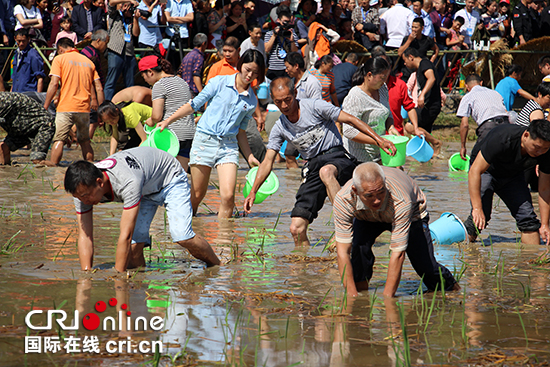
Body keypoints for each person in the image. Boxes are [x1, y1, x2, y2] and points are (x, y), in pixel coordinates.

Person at [243, 77, 395, 247]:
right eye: (279, 102)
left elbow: (350, 120)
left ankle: (344, 226)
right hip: (312, 166)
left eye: (288, 100)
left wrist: (379, 140)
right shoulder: (280, 127)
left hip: (337, 158)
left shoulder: (314, 106)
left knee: (326, 172)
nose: (284, 106)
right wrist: (253, 191)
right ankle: (304, 264)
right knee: (296, 229)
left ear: (295, 93)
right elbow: (267, 161)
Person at [64, 148, 221, 272]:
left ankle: (218, 267)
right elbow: (85, 235)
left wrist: (118, 278)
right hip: (145, 188)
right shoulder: (81, 190)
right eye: (79, 197)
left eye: (86, 196)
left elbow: (125, 235)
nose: (84, 201)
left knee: (182, 236)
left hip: (170, 179)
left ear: (100, 182)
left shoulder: (127, 181)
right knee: (133, 251)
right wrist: (86, 275)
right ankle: (142, 286)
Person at [158, 50, 264, 219]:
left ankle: (224, 242)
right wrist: (167, 121)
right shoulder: (219, 82)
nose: (250, 75)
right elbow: (194, 105)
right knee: (198, 194)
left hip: (228, 146)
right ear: (240, 65)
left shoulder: (251, 100)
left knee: (228, 196)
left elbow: (241, 132)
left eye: (255, 72)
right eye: (247, 69)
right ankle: (186, 226)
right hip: (204, 141)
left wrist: (249, 156)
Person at [333, 162, 459, 297]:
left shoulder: (401, 199)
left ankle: (453, 290)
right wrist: (352, 298)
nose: (376, 200)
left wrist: (388, 299)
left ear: (385, 185)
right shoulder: (343, 200)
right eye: (369, 196)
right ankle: (361, 291)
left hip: (410, 214)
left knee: (425, 266)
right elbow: (342, 253)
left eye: (381, 192)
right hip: (366, 216)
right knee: (358, 252)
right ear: (355, 191)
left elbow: (398, 254)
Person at [465, 119, 550, 245]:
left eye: (545, 149)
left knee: (528, 219)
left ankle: (530, 261)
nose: (540, 153)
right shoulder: (503, 137)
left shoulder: (546, 153)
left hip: (513, 175)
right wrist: (477, 208)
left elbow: (544, 189)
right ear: (526, 135)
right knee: (480, 218)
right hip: (487, 170)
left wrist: (544, 224)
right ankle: (458, 247)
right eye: (536, 147)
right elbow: (475, 171)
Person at [43, 37, 103, 166]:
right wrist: (100, 110)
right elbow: (98, 87)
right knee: (85, 140)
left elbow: (54, 84)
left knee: (59, 139)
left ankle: (54, 166)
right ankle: (91, 165)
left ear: (60, 49)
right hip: (84, 108)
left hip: (66, 107)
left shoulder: (59, 59)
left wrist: (46, 105)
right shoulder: (88, 62)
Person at [139, 55, 194, 171]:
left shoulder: (159, 85)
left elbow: (157, 116)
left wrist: (150, 120)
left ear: (150, 72)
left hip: (172, 135)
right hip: (189, 133)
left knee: (166, 174)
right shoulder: (181, 81)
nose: (144, 78)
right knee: (181, 173)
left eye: (143, 75)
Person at [342, 57, 393, 163]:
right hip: (358, 158)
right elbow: (348, 131)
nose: (384, 81)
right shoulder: (355, 96)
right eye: (382, 78)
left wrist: (391, 128)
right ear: (369, 75)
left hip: (380, 153)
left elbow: (387, 112)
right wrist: (378, 141)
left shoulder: (382, 88)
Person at [283, 51, 323, 168]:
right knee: (289, 155)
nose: (286, 70)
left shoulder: (312, 82)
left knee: (311, 161)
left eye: (287, 67)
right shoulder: (291, 83)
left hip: (310, 128)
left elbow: (317, 107)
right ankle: (294, 183)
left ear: (296, 66)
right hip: (295, 128)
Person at [457, 74, 509, 159]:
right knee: (502, 158)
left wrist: (463, 146)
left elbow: (465, 125)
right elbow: (506, 112)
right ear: (481, 83)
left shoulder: (468, 97)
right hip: (506, 125)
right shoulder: (495, 93)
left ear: (466, 86)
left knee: (476, 160)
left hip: (488, 127)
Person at [401, 47, 442, 155]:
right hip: (427, 105)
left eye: (405, 61)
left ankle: (436, 143)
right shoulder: (420, 68)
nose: (405, 64)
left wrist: (422, 95)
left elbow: (431, 78)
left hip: (430, 104)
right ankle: (429, 157)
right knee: (423, 133)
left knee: (409, 127)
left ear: (411, 57)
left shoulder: (424, 63)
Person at [0, 92, 55, 165]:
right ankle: (6, 168)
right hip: (21, 127)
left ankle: (58, 171)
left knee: (37, 160)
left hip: (42, 126)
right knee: (3, 147)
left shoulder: (3, 101)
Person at [104, 0, 139, 101]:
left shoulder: (132, 19)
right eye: (129, 7)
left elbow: (136, 34)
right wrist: (128, 0)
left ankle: (130, 104)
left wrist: (136, 19)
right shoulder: (115, 15)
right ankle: (107, 104)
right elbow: (111, 3)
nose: (130, 10)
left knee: (130, 83)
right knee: (111, 81)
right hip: (115, 51)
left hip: (129, 52)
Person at [264, 6, 298, 80]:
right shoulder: (270, 34)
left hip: (287, 69)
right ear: (278, 20)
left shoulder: (291, 33)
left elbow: (295, 52)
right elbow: (266, 49)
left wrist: (291, 41)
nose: (286, 24)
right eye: (284, 22)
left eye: (288, 22)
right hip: (273, 68)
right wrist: (274, 35)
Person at [11, 28, 44, 93]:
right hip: (16, 94)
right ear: (15, 38)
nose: (21, 44)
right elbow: (15, 78)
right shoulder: (16, 54)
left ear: (28, 39)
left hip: (29, 94)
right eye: (19, 41)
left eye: (24, 41)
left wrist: (38, 97)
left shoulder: (33, 55)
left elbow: (40, 78)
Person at [177, 32, 207, 98]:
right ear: (203, 43)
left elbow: (179, 74)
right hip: (193, 92)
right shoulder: (199, 56)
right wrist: (202, 94)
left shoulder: (187, 55)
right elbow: (196, 75)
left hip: (184, 91)